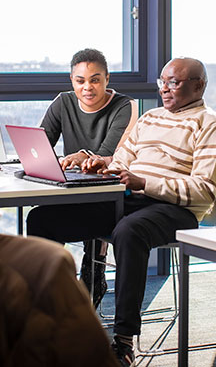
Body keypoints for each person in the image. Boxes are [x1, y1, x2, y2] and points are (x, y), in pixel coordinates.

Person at [27, 57, 216, 366]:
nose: (165, 89)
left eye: (173, 82)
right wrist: (103, 166)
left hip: (175, 210)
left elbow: (204, 190)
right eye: (162, 82)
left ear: (199, 85)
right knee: (42, 218)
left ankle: (123, 341)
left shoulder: (211, 125)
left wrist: (144, 182)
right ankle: (50, 313)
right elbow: (122, 161)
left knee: (128, 231)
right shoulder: (150, 118)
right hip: (129, 199)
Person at [39, 48, 136, 308]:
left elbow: (107, 155)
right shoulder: (63, 102)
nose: (87, 87)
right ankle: (52, 287)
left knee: (88, 208)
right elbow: (40, 144)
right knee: (38, 217)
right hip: (72, 186)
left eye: (95, 79)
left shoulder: (124, 106)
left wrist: (84, 156)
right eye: (80, 80)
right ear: (72, 80)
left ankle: (93, 274)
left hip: (113, 189)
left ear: (107, 79)